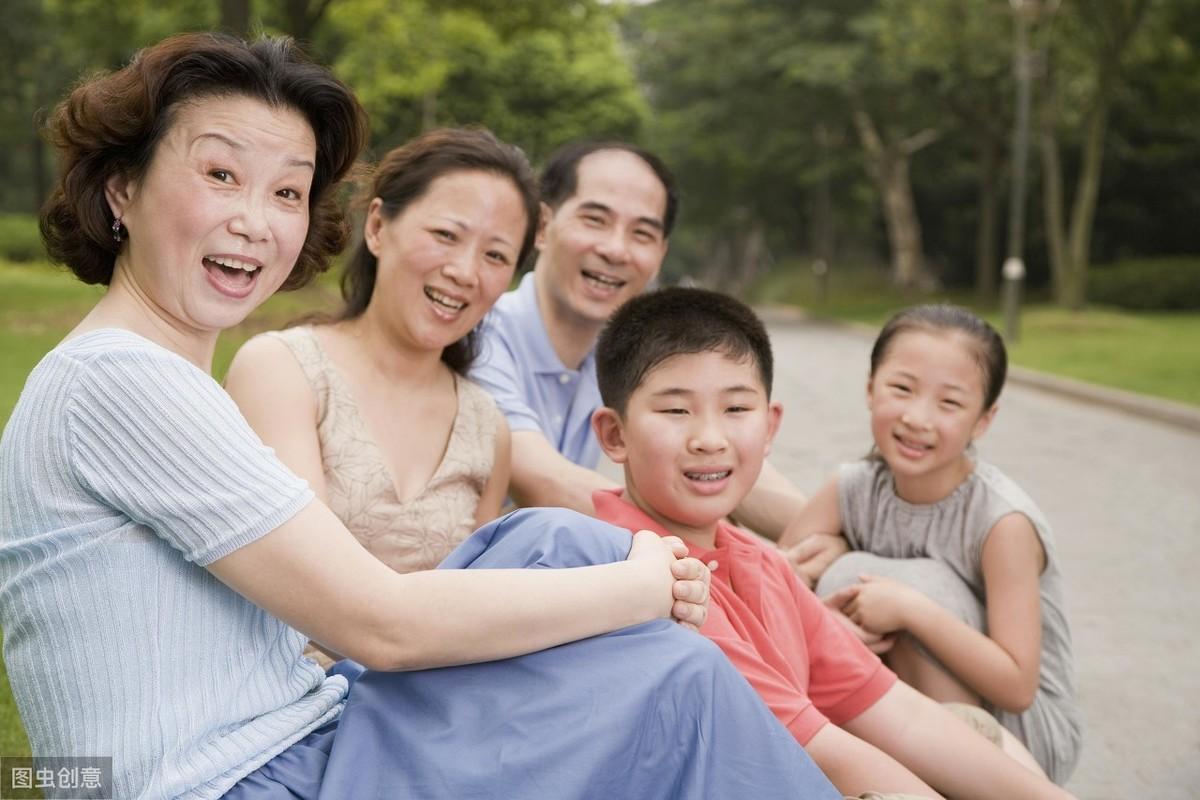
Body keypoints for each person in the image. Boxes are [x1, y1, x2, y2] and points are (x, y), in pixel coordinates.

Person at [0, 33, 840, 799]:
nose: (255, 222)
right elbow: (381, 623)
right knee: (672, 677)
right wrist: (646, 584)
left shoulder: (154, 375)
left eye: (288, 192)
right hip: (237, 779)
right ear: (122, 189)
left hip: (310, 732)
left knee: (559, 546)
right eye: (220, 175)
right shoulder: (118, 381)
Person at [589, 287, 1077, 799]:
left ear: (770, 425)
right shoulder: (640, 573)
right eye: (676, 411)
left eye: (736, 408)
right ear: (614, 434)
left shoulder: (761, 565)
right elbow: (818, 747)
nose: (710, 438)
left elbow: (902, 715)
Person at [225, 128, 526, 666]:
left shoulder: (487, 425)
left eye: (496, 255)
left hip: (437, 702)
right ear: (379, 226)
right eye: (446, 235)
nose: (464, 271)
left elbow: (485, 606)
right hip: (289, 706)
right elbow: (303, 585)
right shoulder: (283, 369)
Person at [784, 304, 1083, 785]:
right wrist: (830, 568)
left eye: (949, 403)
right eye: (901, 388)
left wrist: (910, 609)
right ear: (869, 389)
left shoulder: (1000, 520)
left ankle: (942, 773)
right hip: (902, 710)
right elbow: (777, 586)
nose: (918, 417)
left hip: (1014, 735)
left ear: (983, 421)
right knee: (836, 574)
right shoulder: (851, 487)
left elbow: (1018, 684)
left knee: (903, 583)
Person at [469, 140, 806, 537]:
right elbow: (541, 479)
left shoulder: (635, 348)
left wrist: (828, 538)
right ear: (542, 225)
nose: (616, 250)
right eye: (595, 220)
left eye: (642, 234)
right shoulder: (481, 336)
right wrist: (732, 552)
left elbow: (722, 455)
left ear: (661, 252)